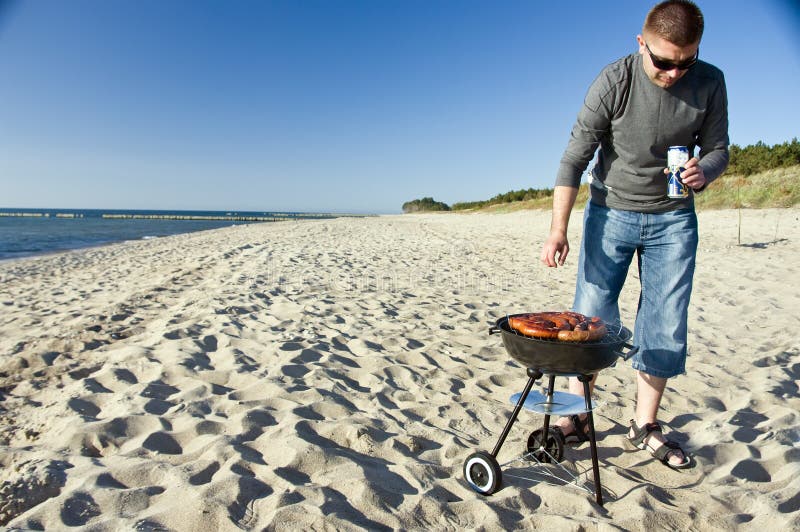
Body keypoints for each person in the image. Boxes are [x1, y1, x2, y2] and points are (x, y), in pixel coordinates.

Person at [539, 0, 728, 469]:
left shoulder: (710, 80)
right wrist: (558, 230)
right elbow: (573, 158)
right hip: (610, 212)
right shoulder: (615, 80)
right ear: (641, 43)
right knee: (591, 314)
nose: (673, 73)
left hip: (674, 218)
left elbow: (719, 147)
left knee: (664, 318)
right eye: (663, 61)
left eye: (686, 62)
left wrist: (704, 170)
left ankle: (645, 424)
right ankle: (578, 416)